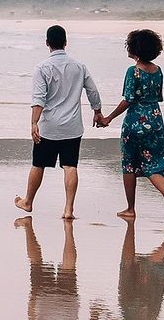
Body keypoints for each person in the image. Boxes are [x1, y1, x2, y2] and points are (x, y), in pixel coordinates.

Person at [15, 25, 104, 219]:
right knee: (70, 166)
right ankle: (68, 209)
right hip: (72, 127)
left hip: (49, 127)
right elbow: (93, 91)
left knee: (38, 164)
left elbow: (39, 99)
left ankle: (28, 201)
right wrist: (97, 111)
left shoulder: (42, 68)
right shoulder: (79, 66)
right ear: (66, 42)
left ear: (47, 43)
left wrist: (33, 123)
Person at [98, 28, 164, 220]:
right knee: (152, 164)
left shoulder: (133, 72)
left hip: (135, 122)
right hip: (156, 120)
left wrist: (109, 117)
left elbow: (128, 100)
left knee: (129, 165)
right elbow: (157, 96)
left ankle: (130, 208)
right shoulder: (158, 71)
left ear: (136, 50)